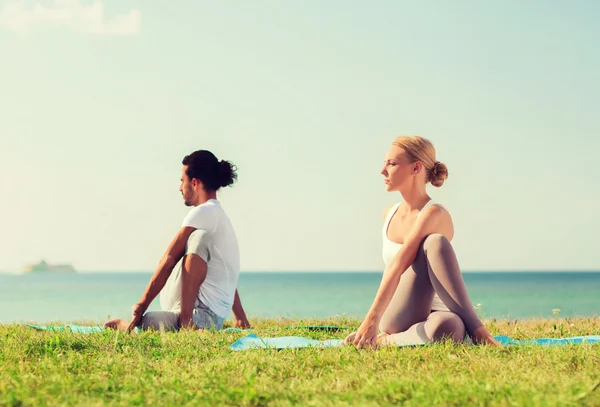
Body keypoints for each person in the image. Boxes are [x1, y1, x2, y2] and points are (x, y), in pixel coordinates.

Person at [344, 135, 500, 349]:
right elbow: (398, 265)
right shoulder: (388, 214)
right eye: (385, 163)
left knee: (449, 327)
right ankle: (479, 332)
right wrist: (371, 320)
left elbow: (407, 262)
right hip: (400, 313)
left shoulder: (434, 214)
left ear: (416, 168)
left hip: (437, 313)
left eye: (391, 163)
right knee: (435, 242)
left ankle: (384, 342)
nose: (383, 170)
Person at [104, 150, 250, 332]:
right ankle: (181, 320)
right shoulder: (218, 216)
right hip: (213, 319)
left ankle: (182, 322)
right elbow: (224, 273)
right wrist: (240, 317)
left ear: (194, 182)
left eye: (182, 181)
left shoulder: (202, 213)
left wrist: (142, 304)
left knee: (147, 323)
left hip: (201, 316)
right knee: (198, 241)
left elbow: (168, 260)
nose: (180, 188)